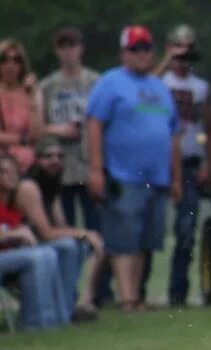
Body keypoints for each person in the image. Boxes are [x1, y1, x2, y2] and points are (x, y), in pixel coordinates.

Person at [86, 25, 180, 312]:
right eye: (135, 49)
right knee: (122, 238)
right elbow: (94, 125)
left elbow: (174, 134)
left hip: (157, 177)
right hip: (123, 174)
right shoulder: (110, 83)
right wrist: (95, 169)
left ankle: (135, 296)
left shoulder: (159, 87)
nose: (141, 54)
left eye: (146, 48)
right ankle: (126, 297)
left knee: (145, 240)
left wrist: (176, 177)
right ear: (123, 53)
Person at [157, 24, 211, 307]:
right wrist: (167, 60)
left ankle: (177, 292)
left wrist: (210, 163)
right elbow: (144, 86)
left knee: (185, 230)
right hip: (159, 163)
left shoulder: (200, 87)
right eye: (178, 50)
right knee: (151, 230)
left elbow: (210, 127)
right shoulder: (160, 81)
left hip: (190, 162)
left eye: (187, 51)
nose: (183, 58)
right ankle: (135, 293)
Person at [19, 138, 103, 321]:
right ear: (36, 160)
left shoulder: (52, 186)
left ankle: (80, 304)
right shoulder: (29, 187)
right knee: (71, 246)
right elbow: (46, 233)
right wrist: (84, 233)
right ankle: (64, 310)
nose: (55, 161)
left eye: (59, 156)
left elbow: (61, 225)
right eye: (48, 156)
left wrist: (83, 236)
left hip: (42, 243)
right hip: (25, 244)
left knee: (83, 245)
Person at [40, 27, 101, 240]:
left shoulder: (95, 82)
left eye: (72, 46)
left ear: (81, 49)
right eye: (62, 47)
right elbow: (37, 126)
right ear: (57, 51)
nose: (68, 52)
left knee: (97, 228)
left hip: (89, 165)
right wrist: (60, 130)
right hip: (60, 168)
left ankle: (97, 273)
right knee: (65, 228)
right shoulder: (47, 86)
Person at [0, 152, 69, 330]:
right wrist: (14, 234)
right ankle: (34, 323)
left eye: (13, 171)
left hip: (9, 256)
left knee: (49, 253)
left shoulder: (13, 204)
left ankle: (59, 319)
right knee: (39, 256)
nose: (11, 176)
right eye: (3, 172)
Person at [0, 38, 45, 172]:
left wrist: (31, 98)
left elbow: (37, 134)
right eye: (4, 60)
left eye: (16, 60)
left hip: (27, 162)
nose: (10, 65)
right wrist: (23, 139)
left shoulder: (32, 92)